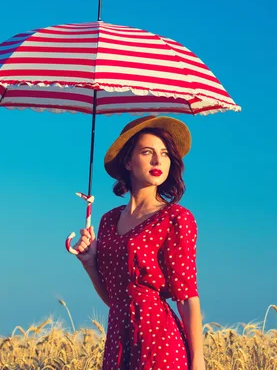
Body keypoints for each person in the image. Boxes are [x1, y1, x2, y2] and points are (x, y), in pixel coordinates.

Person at [72, 115, 205, 370]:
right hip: (117, 343)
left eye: (165, 154)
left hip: (160, 343)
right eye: (147, 152)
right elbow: (116, 299)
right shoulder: (109, 220)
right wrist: (89, 264)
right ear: (128, 161)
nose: (158, 161)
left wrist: (198, 362)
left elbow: (187, 297)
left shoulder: (176, 218)